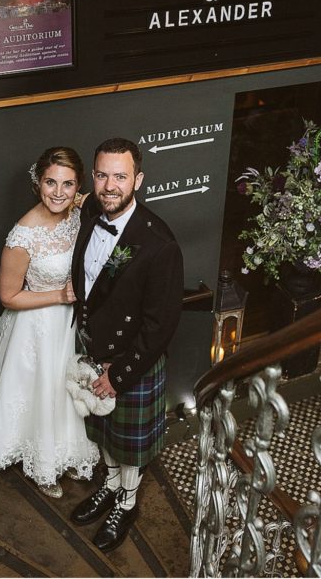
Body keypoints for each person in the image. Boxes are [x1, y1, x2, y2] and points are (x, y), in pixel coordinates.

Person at [69, 138, 184, 551]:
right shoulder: (88, 211)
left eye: (120, 176)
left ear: (138, 179)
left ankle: (128, 502)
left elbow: (160, 325)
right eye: (102, 175)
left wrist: (118, 374)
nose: (110, 186)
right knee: (104, 432)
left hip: (132, 360)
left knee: (129, 445)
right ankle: (111, 488)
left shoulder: (160, 244)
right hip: (93, 351)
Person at [0, 147, 99, 497]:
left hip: (70, 325)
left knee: (64, 390)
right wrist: (59, 295)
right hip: (36, 325)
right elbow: (9, 296)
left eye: (68, 184)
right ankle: (44, 466)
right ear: (37, 183)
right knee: (43, 390)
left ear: (78, 187)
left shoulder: (77, 210)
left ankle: (68, 450)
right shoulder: (23, 235)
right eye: (50, 183)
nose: (58, 192)